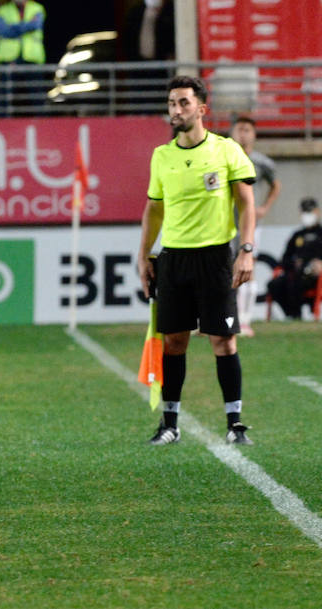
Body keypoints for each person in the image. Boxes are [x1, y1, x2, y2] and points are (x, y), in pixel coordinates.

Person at [138, 76, 257, 447]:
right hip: (174, 259)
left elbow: (246, 203)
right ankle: (170, 423)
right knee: (174, 342)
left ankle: (234, 423)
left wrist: (247, 249)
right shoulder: (162, 156)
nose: (177, 110)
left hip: (216, 257)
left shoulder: (226, 150)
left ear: (202, 109)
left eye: (184, 103)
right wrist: (144, 255)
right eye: (172, 103)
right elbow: (153, 210)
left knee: (224, 341)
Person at [230, 115, 280, 337]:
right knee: (222, 270)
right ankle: (220, 319)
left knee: (248, 268)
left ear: (254, 134)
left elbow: (276, 185)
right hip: (223, 222)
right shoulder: (223, 158)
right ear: (232, 133)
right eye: (239, 129)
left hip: (250, 224)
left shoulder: (261, 162)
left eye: (247, 130)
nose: (243, 134)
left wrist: (264, 207)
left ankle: (245, 320)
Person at [268, 198, 322, 320]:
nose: (307, 215)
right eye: (304, 212)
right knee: (275, 284)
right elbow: (284, 259)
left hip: (321, 277)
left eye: (310, 211)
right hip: (297, 275)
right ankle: (293, 315)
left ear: (317, 212)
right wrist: (294, 263)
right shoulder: (297, 236)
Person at [121, 0, 175, 76]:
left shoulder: (171, 13)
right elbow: (128, 37)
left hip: (162, 66)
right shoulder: (136, 12)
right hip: (138, 65)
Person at [0, 0, 45, 67]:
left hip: (32, 57)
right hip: (9, 58)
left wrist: (13, 27)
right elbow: (4, 31)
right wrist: (27, 25)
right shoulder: (3, 10)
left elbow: (35, 25)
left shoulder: (37, 8)